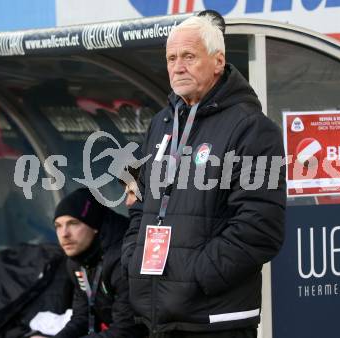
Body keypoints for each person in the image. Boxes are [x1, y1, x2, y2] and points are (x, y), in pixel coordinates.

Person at [122, 11, 286, 338]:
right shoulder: (162, 123)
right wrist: (134, 258)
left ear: (218, 61)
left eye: (188, 56)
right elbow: (140, 201)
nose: (178, 66)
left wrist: (196, 275)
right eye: (171, 58)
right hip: (160, 314)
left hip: (215, 319)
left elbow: (261, 225)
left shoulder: (251, 128)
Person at [47, 188, 145, 338]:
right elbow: (82, 317)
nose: (64, 234)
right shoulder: (76, 261)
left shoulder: (124, 258)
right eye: (58, 226)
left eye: (73, 223)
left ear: (94, 226)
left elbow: (127, 329)